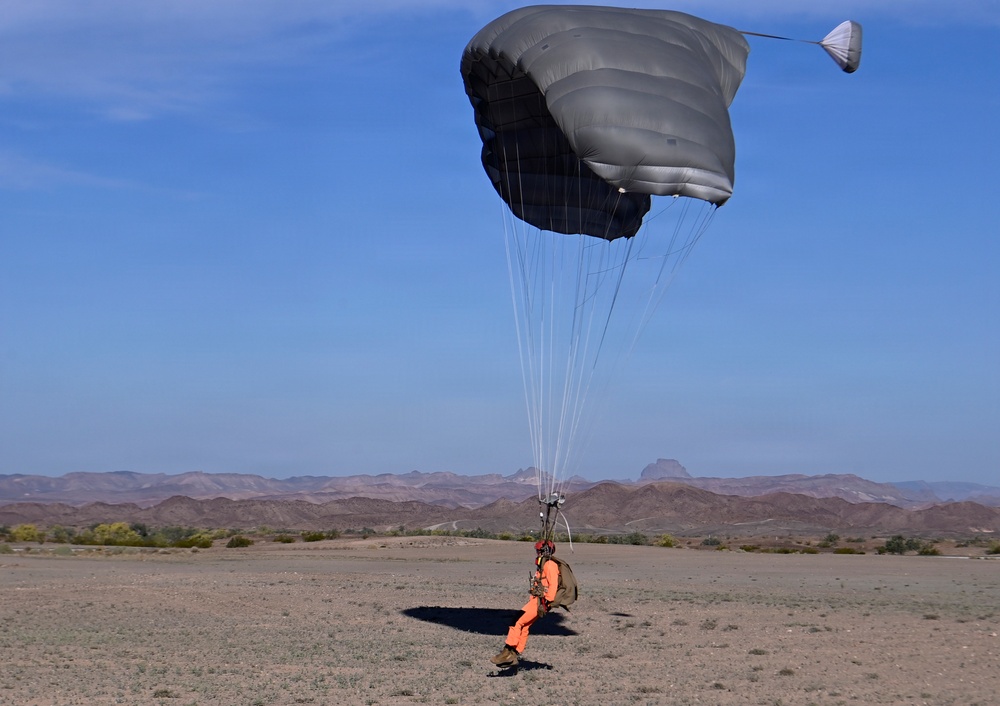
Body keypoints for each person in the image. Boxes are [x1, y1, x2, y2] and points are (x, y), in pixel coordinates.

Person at [490, 539, 560, 669]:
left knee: (516, 621)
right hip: (537, 600)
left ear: (543, 551)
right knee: (524, 626)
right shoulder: (544, 564)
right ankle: (514, 654)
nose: (537, 553)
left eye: (538, 550)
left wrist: (546, 602)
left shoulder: (550, 565)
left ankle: (507, 650)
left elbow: (553, 585)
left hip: (541, 601)